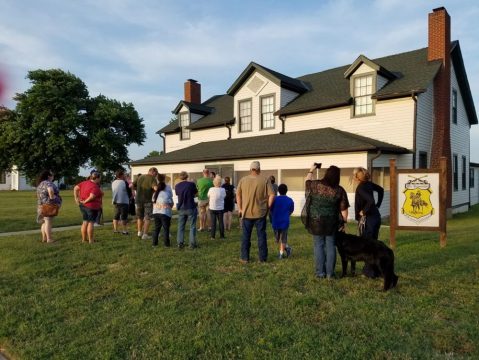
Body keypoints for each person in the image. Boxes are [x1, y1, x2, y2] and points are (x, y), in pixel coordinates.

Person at [304, 164, 349, 279]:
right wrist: (344, 223)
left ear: (326, 174)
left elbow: (307, 181)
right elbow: (344, 209)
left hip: (316, 221)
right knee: (330, 246)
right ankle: (330, 274)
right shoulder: (339, 190)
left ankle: (320, 273)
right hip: (332, 223)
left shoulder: (315, 185)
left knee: (318, 246)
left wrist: (311, 170)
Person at [236, 161, 275, 263]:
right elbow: (272, 195)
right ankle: (262, 258)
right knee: (261, 236)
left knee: (245, 236)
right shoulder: (265, 180)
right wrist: (268, 206)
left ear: (250, 169)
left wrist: (240, 208)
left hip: (246, 213)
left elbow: (238, 195)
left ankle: (244, 258)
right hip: (260, 213)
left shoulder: (243, 180)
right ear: (259, 169)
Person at [353, 166, 384, 278]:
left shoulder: (361, 188)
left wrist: (363, 211)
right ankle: (376, 271)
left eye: (354, 175)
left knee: (367, 246)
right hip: (376, 217)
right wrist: (378, 205)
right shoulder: (369, 184)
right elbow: (381, 190)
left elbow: (370, 200)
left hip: (369, 219)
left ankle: (369, 272)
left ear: (357, 177)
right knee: (373, 245)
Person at [74, 171, 104, 244]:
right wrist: (86, 201)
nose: (100, 179)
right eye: (100, 178)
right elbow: (92, 196)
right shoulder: (95, 186)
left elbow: (75, 188)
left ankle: (84, 239)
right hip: (91, 206)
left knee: (85, 222)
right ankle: (91, 240)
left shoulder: (84, 183)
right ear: (97, 178)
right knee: (91, 223)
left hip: (82, 206)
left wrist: (76, 198)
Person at [36, 170, 62, 243]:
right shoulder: (48, 183)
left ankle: (44, 238)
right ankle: (49, 239)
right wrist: (53, 198)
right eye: (52, 175)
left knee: (44, 222)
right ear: (49, 176)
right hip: (48, 205)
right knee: (48, 222)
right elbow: (50, 190)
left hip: (41, 205)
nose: (53, 176)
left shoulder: (40, 184)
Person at [175, 171, 199, 249]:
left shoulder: (177, 186)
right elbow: (196, 193)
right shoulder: (191, 184)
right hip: (190, 206)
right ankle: (192, 244)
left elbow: (177, 194)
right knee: (192, 226)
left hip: (181, 207)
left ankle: (180, 243)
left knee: (181, 226)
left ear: (180, 177)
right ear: (187, 176)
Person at [270, 183, 294, 259]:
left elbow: (271, 209)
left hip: (276, 222)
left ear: (278, 191)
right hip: (284, 222)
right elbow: (291, 210)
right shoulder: (290, 200)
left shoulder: (274, 199)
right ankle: (288, 248)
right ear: (286, 191)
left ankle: (281, 254)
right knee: (281, 239)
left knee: (281, 239)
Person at [133, 167, 158, 240]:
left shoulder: (140, 177)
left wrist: (137, 190)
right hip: (147, 200)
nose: (156, 176)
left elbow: (132, 185)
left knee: (139, 217)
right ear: (153, 172)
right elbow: (155, 188)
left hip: (138, 200)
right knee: (147, 217)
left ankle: (139, 232)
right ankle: (145, 234)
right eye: (155, 174)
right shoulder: (153, 179)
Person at [152, 173, 173, 247]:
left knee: (156, 228)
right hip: (165, 213)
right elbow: (171, 203)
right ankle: (166, 244)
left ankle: (154, 244)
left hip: (156, 212)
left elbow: (153, 201)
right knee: (166, 229)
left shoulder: (155, 194)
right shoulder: (166, 194)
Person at [111, 169, 130, 235]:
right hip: (124, 201)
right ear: (121, 175)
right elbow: (129, 192)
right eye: (124, 174)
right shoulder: (124, 182)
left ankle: (115, 229)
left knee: (116, 216)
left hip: (115, 201)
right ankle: (124, 230)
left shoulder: (113, 182)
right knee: (124, 217)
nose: (125, 175)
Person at [208, 175, 226, 239]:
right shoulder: (223, 190)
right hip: (220, 208)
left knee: (213, 222)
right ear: (220, 183)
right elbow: (224, 197)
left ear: (214, 182)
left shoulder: (211, 189)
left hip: (212, 208)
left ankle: (212, 236)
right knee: (221, 222)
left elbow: (209, 196)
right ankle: (222, 236)